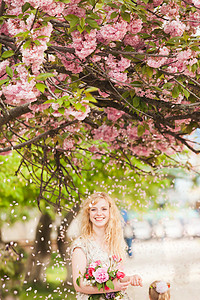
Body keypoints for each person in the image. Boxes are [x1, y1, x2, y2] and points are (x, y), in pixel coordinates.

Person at [71, 192, 143, 300]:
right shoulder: (81, 246)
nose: (99, 213)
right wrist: (110, 288)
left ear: (110, 213)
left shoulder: (115, 243)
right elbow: (79, 285)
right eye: (94, 209)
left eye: (104, 209)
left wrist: (130, 278)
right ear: (88, 213)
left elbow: (118, 277)